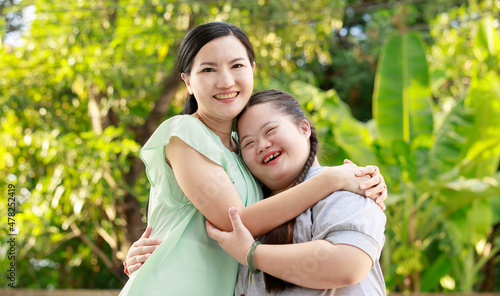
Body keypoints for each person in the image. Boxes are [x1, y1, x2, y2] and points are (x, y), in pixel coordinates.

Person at [119, 22, 387, 296]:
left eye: (237, 66)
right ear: (187, 81)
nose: (225, 81)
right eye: (208, 69)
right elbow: (236, 222)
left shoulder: (243, 155)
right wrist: (332, 179)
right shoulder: (184, 133)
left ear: (252, 69)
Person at [206, 89, 387, 295]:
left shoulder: (348, 185)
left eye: (270, 130)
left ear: (304, 128)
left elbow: (348, 264)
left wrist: (252, 253)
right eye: (249, 143)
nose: (262, 146)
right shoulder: (251, 215)